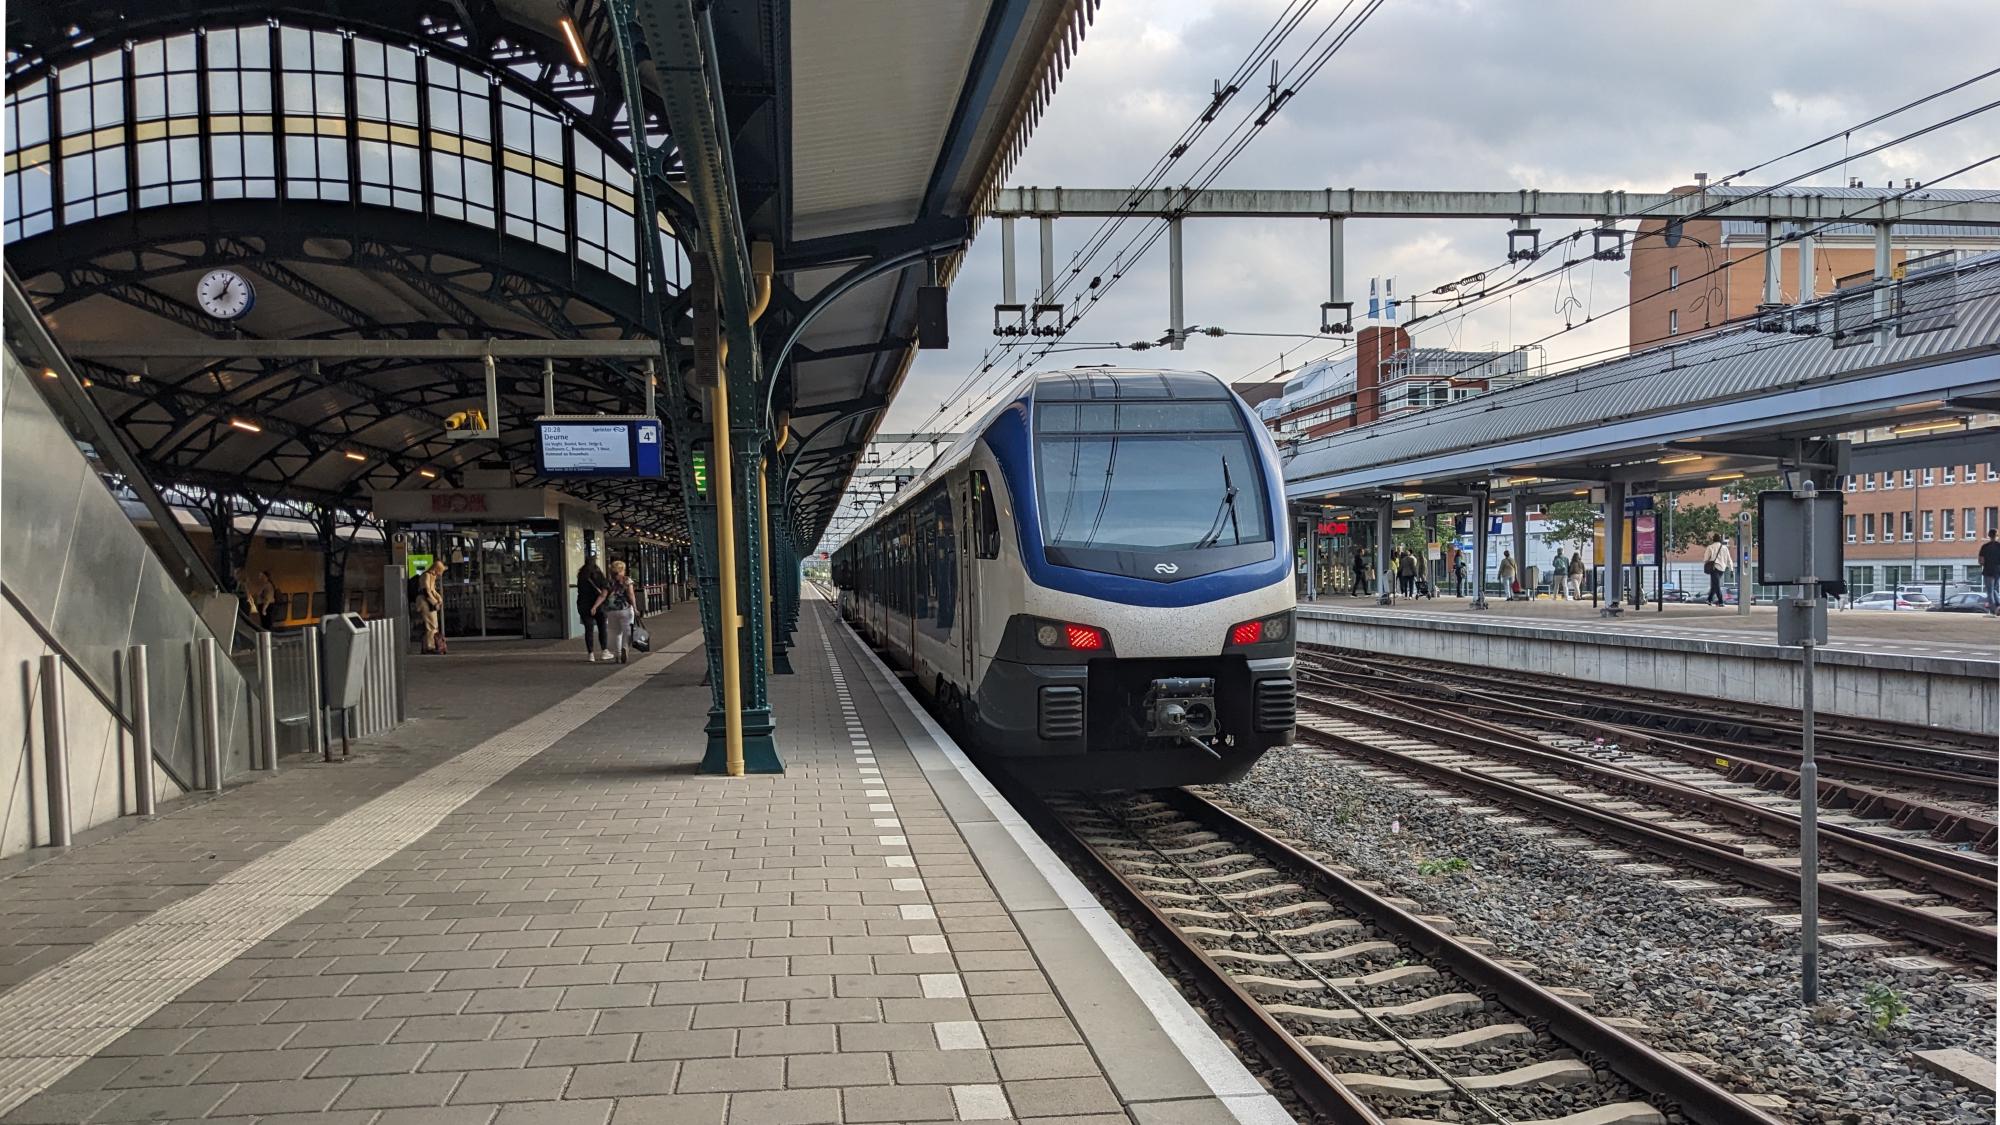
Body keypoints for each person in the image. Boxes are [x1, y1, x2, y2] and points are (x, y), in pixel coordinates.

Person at [603, 559, 641, 664]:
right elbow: (631, 595)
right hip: (626, 609)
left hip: (612, 611)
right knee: (627, 631)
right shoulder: (627, 580)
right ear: (622, 570)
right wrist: (635, 607)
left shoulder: (609, 582)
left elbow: (603, 595)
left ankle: (618, 655)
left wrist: (595, 606)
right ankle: (625, 647)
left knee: (616, 633)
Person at [576, 558, 610, 662]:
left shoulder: (581, 575)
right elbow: (604, 591)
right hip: (598, 605)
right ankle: (604, 651)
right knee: (602, 628)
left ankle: (590, 654)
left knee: (588, 629)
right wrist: (595, 606)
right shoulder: (598, 574)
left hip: (583, 605)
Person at [417, 560, 448, 654]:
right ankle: (430, 646)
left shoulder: (431, 576)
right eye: (441, 571)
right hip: (425, 602)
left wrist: (439, 599)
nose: (441, 574)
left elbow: (432, 590)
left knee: (432, 624)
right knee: (431, 625)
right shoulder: (426, 575)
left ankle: (427, 646)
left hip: (428, 602)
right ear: (437, 569)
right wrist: (435, 602)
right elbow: (427, 591)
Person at [1702, 533, 1733, 606]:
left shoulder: (1710, 547)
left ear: (1713, 539)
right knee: (1714, 584)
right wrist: (1731, 569)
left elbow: (1706, 559)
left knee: (1716, 585)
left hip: (1714, 568)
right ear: (1720, 540)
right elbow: (1729, 559)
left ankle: (1721, 601)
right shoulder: (1725, 548)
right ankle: (1709, 600)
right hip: (1722, 569)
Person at [1980, 528, 2000, 615]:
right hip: (1998, 570)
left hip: (1988, 570)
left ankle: (1993, 611)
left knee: (1990, 591)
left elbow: (1981, 560)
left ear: (1989, 535)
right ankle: (1998, 606)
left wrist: (1985, 564)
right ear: (1997, 536)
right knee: (1995, 589)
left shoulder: (1985, 547)